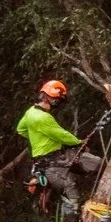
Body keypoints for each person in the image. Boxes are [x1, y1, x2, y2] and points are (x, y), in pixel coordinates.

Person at [16, 79, 100, 213]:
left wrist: (38, 137)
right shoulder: (42, 118)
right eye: (57, 100)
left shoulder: (30, 112)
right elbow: (60, 134)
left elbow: (21, 130)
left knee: (96, 163)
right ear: (47, 97)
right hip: (50, 163)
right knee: (71, 192)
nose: (58, 103)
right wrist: (78, 142)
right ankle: (73, 219)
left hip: (59, 155)